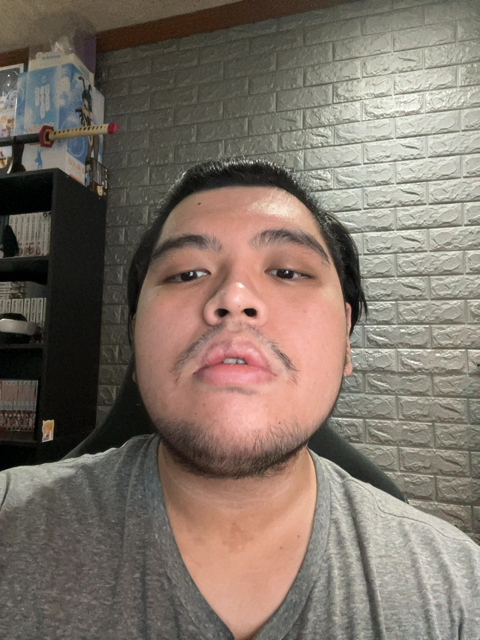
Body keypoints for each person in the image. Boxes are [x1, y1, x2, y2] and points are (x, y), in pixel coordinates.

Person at [0, 158, 479, 639]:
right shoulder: (10, 524)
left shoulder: (457, 593)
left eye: (288, 271)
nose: (233, 296)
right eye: (187, 273)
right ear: (135, 338)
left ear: (346, 341)